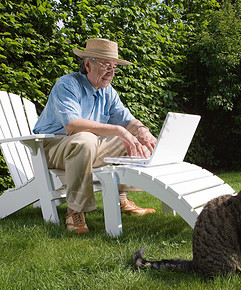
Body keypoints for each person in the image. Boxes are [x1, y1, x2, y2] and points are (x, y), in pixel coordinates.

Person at [33, 38, 157, 234]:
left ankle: (121, 200)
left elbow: (127, 120)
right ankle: (75, 211)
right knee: (86, 138)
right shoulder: (67, 84)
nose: (111, 72)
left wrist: (143, 131)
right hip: (52, 149)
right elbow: (73, 126)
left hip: (88, 148)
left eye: (114, 67)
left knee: (131, 140)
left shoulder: (108, 92)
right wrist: (118, 130)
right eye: (106, 65)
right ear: (88, 64)